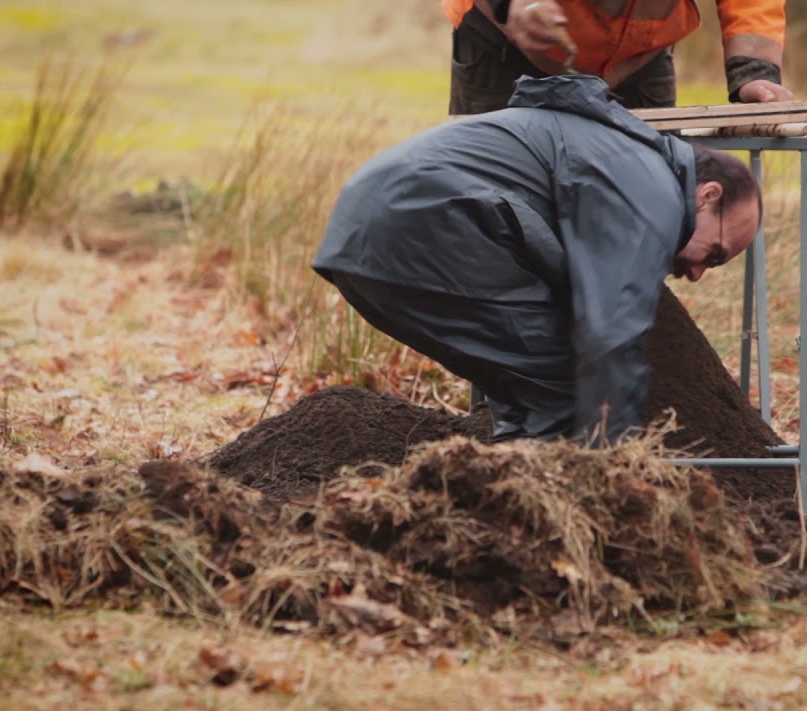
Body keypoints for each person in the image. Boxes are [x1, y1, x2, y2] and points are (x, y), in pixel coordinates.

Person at [313, 74, 761, 444]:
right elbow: (609, 332)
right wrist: (615, 459)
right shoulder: (651, 189)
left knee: (534, 376)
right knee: (565, 384)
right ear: (707, 196)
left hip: (365, 233)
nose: (698, 274)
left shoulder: (621, 158)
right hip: (422, 225)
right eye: (715, 255)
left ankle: (508, 500)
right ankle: (550, 518)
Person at [443, 0, 793, 115]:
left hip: (640, 56)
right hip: (511, 48)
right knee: (495, 204)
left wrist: (754, 70)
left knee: (643, 204)